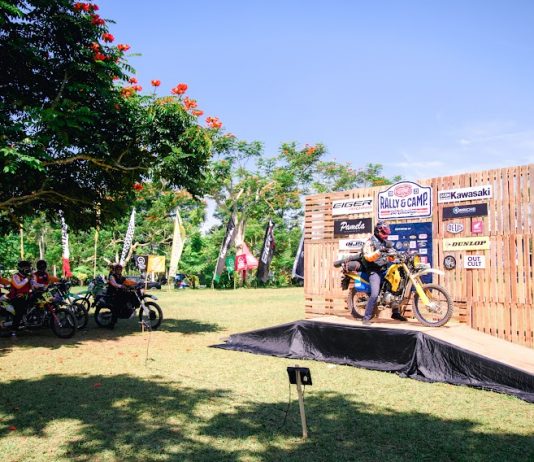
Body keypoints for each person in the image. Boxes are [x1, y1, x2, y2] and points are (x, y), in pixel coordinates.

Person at [361, 221, 407, 325]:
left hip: (384, 269)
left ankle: (395, 313)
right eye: (383, 233)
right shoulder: (370, 242)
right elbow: (368, 257)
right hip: (374, 270)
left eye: (386, 233)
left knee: (396, 288)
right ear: (377, 231)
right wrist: (379, 252)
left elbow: (392, 253)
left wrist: (398, 256)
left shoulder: (385, 242)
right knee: (374, 294)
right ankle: (366, 318)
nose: (385, 235)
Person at [8, 261, 33, 336]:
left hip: (26, 296)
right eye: (26, 267)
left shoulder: (27, 276)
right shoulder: (15, 276)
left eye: (29, 267)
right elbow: (18, 286)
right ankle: (13, 330)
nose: (28, 269)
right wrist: (27, 279)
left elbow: (33, 284)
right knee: (19, 311)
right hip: (16, 297)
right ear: (21, 268)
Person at [107, 263, 130, 329]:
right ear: (115, 270)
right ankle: (112, 323)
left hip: (119, 293)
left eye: (120, 269)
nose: (119, 270)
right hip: (112, 294)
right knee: (117, 307)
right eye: (118, 269)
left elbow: (127, 282)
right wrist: (121, 286)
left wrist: (135, 284)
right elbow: (114, 284)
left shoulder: (122, 277)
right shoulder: (112, 276)